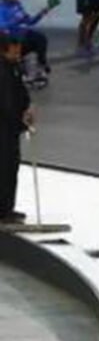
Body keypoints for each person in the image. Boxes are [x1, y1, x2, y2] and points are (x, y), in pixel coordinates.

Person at [0, 39, 29, 223]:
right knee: (4, 168)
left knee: (11, 167)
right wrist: (21, 121)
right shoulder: (2, 72)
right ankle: (3, 211)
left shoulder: (13, 68)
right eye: (14, 52)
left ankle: (6, 208)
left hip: (10, 128)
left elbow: (21, 93)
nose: (18, 56)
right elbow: (6, 104)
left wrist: (27, 108)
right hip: (4, 128)